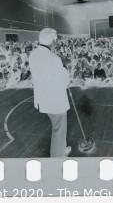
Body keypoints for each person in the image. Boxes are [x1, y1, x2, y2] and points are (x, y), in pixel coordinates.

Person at [29, 28, 71, 157]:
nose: (56, 42)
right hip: (55, 100)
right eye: (55, 40)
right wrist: (65, 70)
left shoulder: (33, 54)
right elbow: (64, 82)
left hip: (43, 99)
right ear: (52, 41)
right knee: (59, 128)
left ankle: (61, 148)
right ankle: (57, 157)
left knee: (58, 127)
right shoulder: (53, 58)